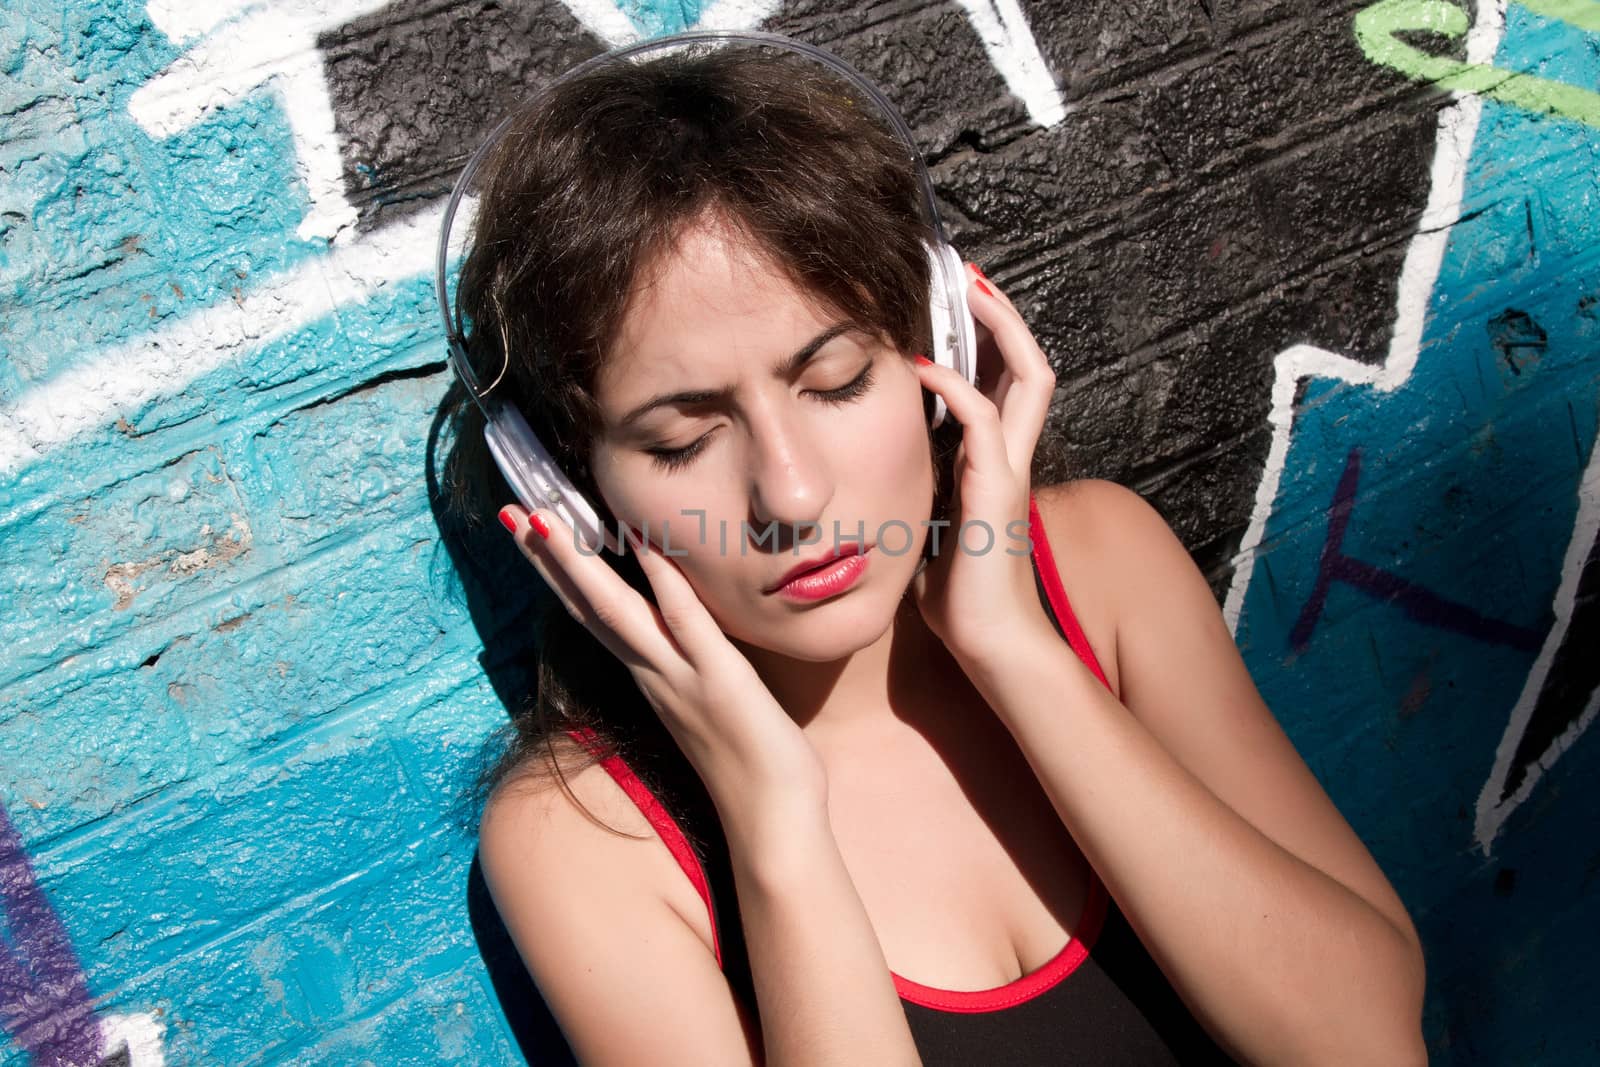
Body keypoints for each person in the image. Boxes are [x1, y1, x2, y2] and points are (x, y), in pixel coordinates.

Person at [440, 39, 1428, 1066]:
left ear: (939, 350)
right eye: (681, 441)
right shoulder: (591, 837)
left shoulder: (1100, 571)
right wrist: (772, 819)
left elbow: (1363, 1041)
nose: (792, 492)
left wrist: (1016, 650)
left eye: (834, 382)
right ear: (567, 490)